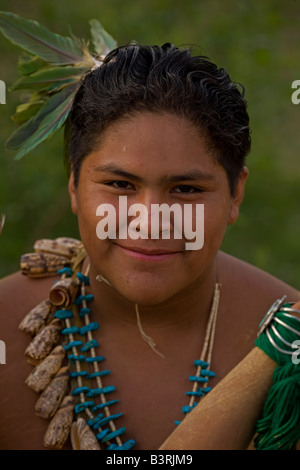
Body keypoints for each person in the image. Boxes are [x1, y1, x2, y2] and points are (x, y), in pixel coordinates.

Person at [0, 42, 299, 451]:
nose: (150, 219)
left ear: (235, 195)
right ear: (74, 185)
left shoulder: (291, 348)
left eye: (186, 188)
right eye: (120, 185)